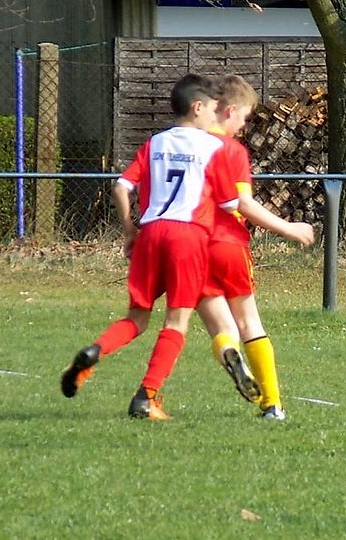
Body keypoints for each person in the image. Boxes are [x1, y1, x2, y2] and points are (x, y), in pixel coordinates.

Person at [60, 73, 240, 421]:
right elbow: (231, 203)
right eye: (212, 109)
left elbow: (120, 187)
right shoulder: (213, 148)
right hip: (187, 237)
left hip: (151, 233)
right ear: (197, 107)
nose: (215, 116)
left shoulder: (155, 143)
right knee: (177, 322)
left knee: (137, 319)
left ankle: (94, 351)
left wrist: (129, 229)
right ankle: (147, 396)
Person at [196, 74, 315, 419]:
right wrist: (288, 228)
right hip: (229, 243)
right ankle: (272, 404)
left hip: (192, 245)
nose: (244, 127)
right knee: (249, 321)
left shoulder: (188, 144)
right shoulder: (232, 150)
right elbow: (244, 204)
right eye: (245, 118)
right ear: (230, 110)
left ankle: (229, 353)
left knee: (221, 328)